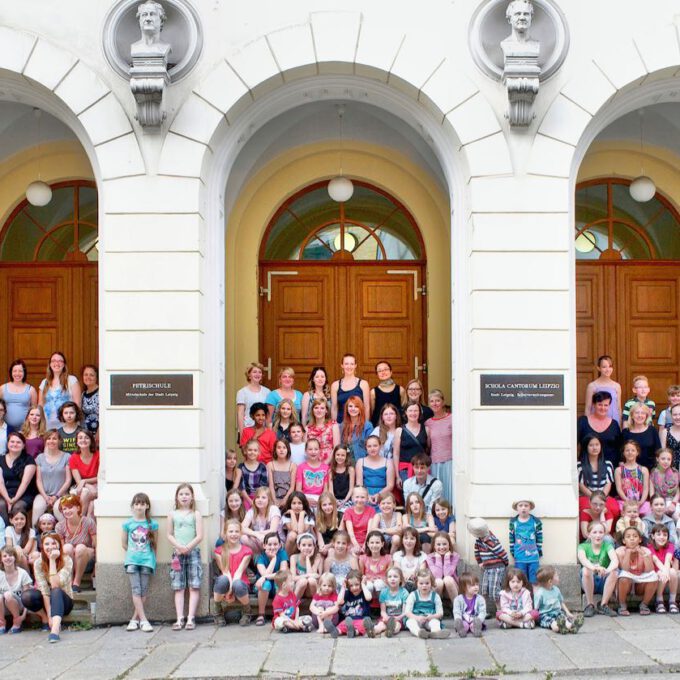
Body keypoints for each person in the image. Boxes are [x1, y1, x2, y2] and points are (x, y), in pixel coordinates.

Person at [21, 532, 73, 642]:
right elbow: (44, 590)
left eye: (53, 543)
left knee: (56, 590)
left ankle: (55, 629)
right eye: (47, 544)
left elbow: (55, 584)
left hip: (64, 602)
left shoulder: (67, 560)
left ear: (59, 544)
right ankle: (44, 618)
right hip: (48, 601)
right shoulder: (38, 563)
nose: (50, 547)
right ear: (42, 546)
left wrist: (52, 560)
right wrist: (49, 615)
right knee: (27, 596)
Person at [167, 483, 203, 630]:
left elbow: (200, 535)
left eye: (187, 494)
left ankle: (190, 618)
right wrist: (179, 547)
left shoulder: (196, 514)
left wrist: (188, 547)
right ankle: (179, 618)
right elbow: (169, 534)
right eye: (181, 494)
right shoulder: (172, 514)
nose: (184, 497)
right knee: (179, 587)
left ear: (192, 497)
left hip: (193, 552)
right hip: (177, 553)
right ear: (177, 496)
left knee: (194, 586)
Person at [122, 492, 157, 632]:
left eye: (142, 504)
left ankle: (134, 619)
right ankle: (143, 620)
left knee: (143, 591)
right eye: (136, 504)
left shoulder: (152, 524)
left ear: (147, 506)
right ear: (132, 506)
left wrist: (153, 560)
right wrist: (133, 552)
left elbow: (155, 545)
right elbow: (124, 544)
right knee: (136, 590)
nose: (139, 507)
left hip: (147, 561)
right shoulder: (128, 524)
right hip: (132, 561)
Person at [213, 518, 252, 626]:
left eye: (236, 531)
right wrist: (229, 590)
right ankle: (218, 612)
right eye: (230, 531)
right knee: (222, 580)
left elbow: (238, 574)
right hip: (226, 581)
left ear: (241, 533)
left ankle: (247, 611)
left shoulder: (247, 551)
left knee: (237, 584)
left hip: (240, 582)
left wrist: (230, 591)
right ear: (225, 533)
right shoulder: (219, 551)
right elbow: (226, 572)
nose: (234, 534)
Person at [578, 520, 619, 617]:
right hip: (589, 580)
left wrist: (607, 570)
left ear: (604, 534)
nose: (598, 535)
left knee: (614, 572)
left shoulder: (607, 546)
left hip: (603, 580)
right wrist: (595, 568)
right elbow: (583, 560)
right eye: (594, 532)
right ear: (589, 534)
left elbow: (615, 561)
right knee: (585, 569)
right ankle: (590, 604)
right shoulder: (583, 546)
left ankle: (603, 604)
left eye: (601, 532)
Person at [55, 494, 96, 592]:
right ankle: (70, 580)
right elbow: (61, 549)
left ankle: (76, 583)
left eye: (70, 507)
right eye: (64, 509)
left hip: (87, 558)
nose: (67, 511)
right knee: (67, 547)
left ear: (78, 508)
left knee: (80, 547)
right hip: (69, 560)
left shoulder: (88, 522)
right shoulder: (59, 526)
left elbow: (96, 545)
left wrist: (96, 568)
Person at [615, 526, 658, 616]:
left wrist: (644, 555)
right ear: (623, 541)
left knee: (654, 576)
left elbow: (649, 570)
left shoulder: (646, 550)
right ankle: (622, 605)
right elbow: (625, 569)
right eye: (628, 537)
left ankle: (644, 604)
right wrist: (628, 553)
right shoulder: (619, 551)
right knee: (623, 577)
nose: (632, 539)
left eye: (635, 536)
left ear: (640, 540)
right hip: (626, 582)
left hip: (640, 581)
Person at [577, 434, 619, 520]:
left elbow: (608, 484)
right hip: (587, 497)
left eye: (597, 444)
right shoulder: (580, 465)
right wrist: (594, 498)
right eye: (591, 445)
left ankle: (607, 532)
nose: (595, 448)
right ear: (586, 447)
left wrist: (601, 498)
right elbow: (581, 486)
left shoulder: (608, 464)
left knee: (614, 509)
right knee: (586, 508)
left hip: (603, 496)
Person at [468, 517, 508, 606]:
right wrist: (479, 562)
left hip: (497, 567)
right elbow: (477, 552)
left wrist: (505, 563)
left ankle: (500, 609)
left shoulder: (491, 540)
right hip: (486, 567)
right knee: (484, 589)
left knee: (494, 591)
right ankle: (484, 611)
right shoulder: (478, 541)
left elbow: (502, 552)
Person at [33, 430, 71, 523]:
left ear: (59, 441)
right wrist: (45, 497)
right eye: (48, 438)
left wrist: (56, 496)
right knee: (38, 507)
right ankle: (34, 535)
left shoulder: (67, 457)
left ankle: (65, 535)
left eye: (54, 438)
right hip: (44, 494)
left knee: (58, 509)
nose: (51, 441)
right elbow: (38, 481)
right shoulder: (40, 458)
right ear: (45, 441)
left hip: (61, 494)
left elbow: (68, 480)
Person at [322, 568, 372, 638]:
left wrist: (363, 584)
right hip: (349, 620)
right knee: (342, 624)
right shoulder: (347, 593)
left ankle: (354, 632)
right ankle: (336, 631)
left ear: (361, 583)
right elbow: (339, 602)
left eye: (357, 584)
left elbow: (369, 598)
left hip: (362, 619)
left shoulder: (364, 593)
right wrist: (343, 587)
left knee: (363, 625)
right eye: (351, 586)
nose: (354, 588)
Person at [577, 391, 622, 467]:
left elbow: (619, 448)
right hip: (586, 468)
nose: (603, 408)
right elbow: (574, 444)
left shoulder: (614, 424)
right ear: (594, 405)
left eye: (606, 405)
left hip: (610, 469)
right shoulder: (583, 422)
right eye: (600, 405)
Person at [0, 432, 37, 524]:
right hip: (4, 493)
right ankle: (6, 532)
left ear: (24, 445)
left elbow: (25, 483)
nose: (15, 444)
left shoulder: (29, 459)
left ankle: (20, 534)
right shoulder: (0, 459)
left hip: (24, 494)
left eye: (18, 442)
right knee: (1, 505)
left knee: (17, 507)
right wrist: (8, 499)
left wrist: (14, 500)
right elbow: (0, 482)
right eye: (12, 442)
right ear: (7, 444)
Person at [38, 352, 81, 431]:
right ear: (50, 364)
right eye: (53, 361)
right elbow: (40, 405)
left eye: (60, 361)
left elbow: (77, 405)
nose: (56, 363)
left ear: (64, 364)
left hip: (67, 426)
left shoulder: (72, 380)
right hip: (48, 426)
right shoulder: (44, 382)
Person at [403, 567, 449, 639]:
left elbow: (440, 613)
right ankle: (419, 633)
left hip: (430, 618)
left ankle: (435, 633)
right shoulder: (413, 595)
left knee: (435, 622)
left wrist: (432, 617)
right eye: (421, 583)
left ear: (431, 583)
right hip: (417, 618)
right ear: (416, 584)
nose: (424, 585)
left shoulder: (435, 596)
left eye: (427, 583)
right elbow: (407, 612)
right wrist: (417, 618)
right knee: (410, 622)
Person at [254, 532, 288, 626]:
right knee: (266, 584)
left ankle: (278, 613)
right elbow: (264, 574)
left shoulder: (282, 554)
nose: (272, 547)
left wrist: (264, 577)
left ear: (280, 545)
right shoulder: (260, 558)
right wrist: (273, 559)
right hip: (262, 588)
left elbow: (282, 573)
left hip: (276, 585)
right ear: (264, 545)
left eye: (275, 544)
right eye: (269, 544)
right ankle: (261, 614)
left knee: (280, 583)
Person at [535, 566, 583, 633]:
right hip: (545, 615)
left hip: (557, 613)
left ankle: (572, 627)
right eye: (556, 575)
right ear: (550, 581)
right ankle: (560, 628)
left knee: (565, 620)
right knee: (553, 624)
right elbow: (535, 608)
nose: (558, 576)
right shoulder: (540, 593)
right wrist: (534, 619)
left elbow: (561, 602)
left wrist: (568, 612)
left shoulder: (556, 590)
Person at [425, 389, 453, 503]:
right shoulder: (428, 423)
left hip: (450, 461)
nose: (435, 403)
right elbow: (428, 445)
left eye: (437, 400)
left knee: (450, 491)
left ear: (443, 402)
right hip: (435, 462)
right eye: (432, 401)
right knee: (437, 492)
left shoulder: (452, 418)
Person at [0, 545, 33, 633]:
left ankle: (17, 622)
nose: (8, 558)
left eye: (10, 555)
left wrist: (23, 615)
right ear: (1, 559)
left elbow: (27, 598)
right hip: (4, 608)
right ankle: (1, 623)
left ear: (15, 557)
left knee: (8, 594)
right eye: (5, 556)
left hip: (19, 606)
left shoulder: (22, 573)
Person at [509, 499, 542, 584]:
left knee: (534, 581)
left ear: (530, 507)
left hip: (533, 557)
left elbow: (539, 538)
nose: (523, 508)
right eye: (521, 505)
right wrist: (513, 552)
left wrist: (539, 551)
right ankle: (522, 597)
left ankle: (533, 596)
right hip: (520, 557)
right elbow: (511, 539)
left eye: (526, 505)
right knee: (521, 581)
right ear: (517, 508)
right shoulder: (514, 523)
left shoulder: (536, 522)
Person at [395, 402, 429, 485]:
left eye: (415, 411)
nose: (413, 413)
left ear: (419, 412)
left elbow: (428, 450)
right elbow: (396, 454)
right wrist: (397, 476)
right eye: (410, 411)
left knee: (422, 496)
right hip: (405, 471)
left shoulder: (427, 430)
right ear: (406, 412)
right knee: (408, 497)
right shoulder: (399, 431)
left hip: (422, 469)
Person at [648, 523, 679, 614]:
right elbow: (656, 561)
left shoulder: (670, 545)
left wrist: (666, 572)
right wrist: (665, 572)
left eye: (665, 535)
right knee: (661, 573)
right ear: (653, 536)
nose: (662, 537)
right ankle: (659, 600)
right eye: (658, 534)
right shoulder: (650, 547)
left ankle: (672, 601)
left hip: (666, 569)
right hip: (655, 572)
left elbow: (668, 560)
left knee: (673, 571)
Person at [356, 435, 394, 507]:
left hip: (383, 495)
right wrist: (367, 496)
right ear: (366, 448)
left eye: (375, 446)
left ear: (380, 446)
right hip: (364, 495)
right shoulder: (360, 462)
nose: (372, 448)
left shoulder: (388, 462)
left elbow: (390, 485)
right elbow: (359, 484)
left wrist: (379, 495)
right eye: (369, 446)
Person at [241, 486, 281, 554]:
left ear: (269, 500)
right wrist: (256, 534)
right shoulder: (252, 511)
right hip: (259, 539)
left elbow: (273, 531)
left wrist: (256, 535)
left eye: (263, 497)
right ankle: (259, 559)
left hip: (275, 541)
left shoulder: (274, 509)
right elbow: (242, 528)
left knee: (262, 539)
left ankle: (265, 559)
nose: (260, 500)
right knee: (243, 538)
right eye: (257, 497)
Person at [331, 354, 370, 424]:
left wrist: (365, 425)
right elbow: (334, 408)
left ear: (355, 365)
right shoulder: (335, 385)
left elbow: (367, 407)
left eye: (352, 364)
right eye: (346, 364)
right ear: (342, 365)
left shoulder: (363, 384)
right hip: (341, 424)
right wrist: (334, 426)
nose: (349, 366)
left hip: (359, 425)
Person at [68, 429, 99, 516]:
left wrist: (84, 481)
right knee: (90, 502)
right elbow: (78, 481)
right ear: (77, 441)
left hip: (98, 484)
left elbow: (100, 477)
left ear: (91, 440)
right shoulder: (73, 458)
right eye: (80, 438)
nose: (83, 440)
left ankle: (80, 519)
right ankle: (82, 519)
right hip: (83, 486)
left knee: (92, 504)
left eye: (86, 438)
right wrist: (86, 484)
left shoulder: (98, 455)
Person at [614, 440, 650, 514]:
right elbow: (619, 489)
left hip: (640, 502)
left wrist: (641, 502)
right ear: (623, 453)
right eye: (627, 450)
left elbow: (646, 489)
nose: (630, 452)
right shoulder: (619, 470)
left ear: (637, 452)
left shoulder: (644, 470)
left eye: (633, 450)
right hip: (624, 501)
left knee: (648, 510)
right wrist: (627, 501)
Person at [584, 355, 622, 424]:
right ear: (599, 368)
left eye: (610, 366)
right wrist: (587, 425)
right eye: (604, 367)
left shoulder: (617, 386)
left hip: (613, 421)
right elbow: (588, 408)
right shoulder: (592, 386)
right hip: (596, 421)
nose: (608, 369)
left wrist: (619, 425)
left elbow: (618, 407)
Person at [623, 403, 661, 470]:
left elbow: (658, 451)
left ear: (646, 416)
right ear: (632, 415)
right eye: (637, 413)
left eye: (643, 413)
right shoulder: (625, 432)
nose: (640, 415)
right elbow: (621, 454)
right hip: (630, 471)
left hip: (650, 469)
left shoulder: (652, 430)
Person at [0, 359, 37, 430]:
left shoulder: (31, 390)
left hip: (25, 429)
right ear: (11, 372)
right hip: (4, 429)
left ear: (24, 372)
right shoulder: (2, 388)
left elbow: (34, 411)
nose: (17, 374)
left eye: (20, 371)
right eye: (15, 371)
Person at [425, 531, 459, 604]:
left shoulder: (454, 556)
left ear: (449, 545)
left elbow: (448, 574)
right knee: (439, 581)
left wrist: (447, 558)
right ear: (434, 546)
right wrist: (438, 558)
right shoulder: (429, 557)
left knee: (447, 579)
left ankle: (457, 608)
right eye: (438, 544)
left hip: (451, 589)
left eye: (444, 544)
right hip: (436, 589)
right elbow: (438, 575)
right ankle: (434, 608)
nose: (442, 547)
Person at [295, 438, 330, 510]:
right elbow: (298, 489)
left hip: (320, 498)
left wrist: (321, 500)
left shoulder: (326, 468)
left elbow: (325, 489)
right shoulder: (301, 467)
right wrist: (306, 499)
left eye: (316, 449)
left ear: (320, 451)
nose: (313, 452)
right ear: (305, 451)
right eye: (310, 449)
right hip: (304, 497)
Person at [236, 362, 271, 434]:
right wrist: (242, 433)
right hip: (248, 429)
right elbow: (240, 413)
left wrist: (268, 430)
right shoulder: (242, 392)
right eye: (254, 372)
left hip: (263, 430)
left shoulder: (267, 391)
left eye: (260, 372)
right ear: (249, 375)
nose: (257, 374)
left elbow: (268, 413)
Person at [375, 566, 409, 636]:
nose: (392, 579)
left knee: (397, 626)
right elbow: (383, 611)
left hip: (399, 618)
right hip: (387, 617)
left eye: (395, 576)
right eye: (390, 577)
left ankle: (390, 630)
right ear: (386, 580)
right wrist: (386, 617)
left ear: (400, 579)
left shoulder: (404, 592)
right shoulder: (384, 592)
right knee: (381, 625)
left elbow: (405, 612)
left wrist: (397, 618)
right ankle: (374, 630)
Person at [370, 361, 405, 427]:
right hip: (379, 427)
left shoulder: (400, 390)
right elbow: (372, 412)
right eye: (380, 371)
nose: (383, 372)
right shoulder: (373, 392)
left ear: (391, 372)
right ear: (377, 374)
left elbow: (404, 409)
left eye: (386, 369)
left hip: (397, 426)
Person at [343, 486, 376, 555]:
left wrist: (365, 545)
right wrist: (356, 545)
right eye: (357, 497)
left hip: (367, 541)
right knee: (354, 555)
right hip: (352, 542)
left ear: (367, 498)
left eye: (362, 497)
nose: (359, 500)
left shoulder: (371, 511)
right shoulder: (348, 511)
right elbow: (350, 533)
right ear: (352, 498)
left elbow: (369, 531)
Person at [280, 491, 314, 556]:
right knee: (292, 535)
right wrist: (292, 513)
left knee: (297, 535)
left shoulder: (308, 514)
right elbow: (294, 529)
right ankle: (286, 559)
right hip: (291, 545)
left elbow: (301, 532)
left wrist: (302, 514)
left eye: (299, 503)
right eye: (294, 503)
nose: (297, 506)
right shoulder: (287, 515)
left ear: (304, 505)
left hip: (306, 541)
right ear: (290, 505)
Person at [306, 398, 339, 464]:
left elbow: (336, 447)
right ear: (312, 410)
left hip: (330, 463)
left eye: (322, 408)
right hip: (313, 464)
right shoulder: (307, 428)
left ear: (326, 410)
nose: (319, 410)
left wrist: (325, 464)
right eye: (316, 408)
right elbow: (306, 450)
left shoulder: (333, 425)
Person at [452, 572, 485, 638]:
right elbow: (457, 612)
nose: (476, 587)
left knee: (474, 625)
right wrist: (458, 619)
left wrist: (479, 619)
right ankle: (461, 630)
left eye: (477, 584)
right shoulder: (458, 599)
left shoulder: (480, 599)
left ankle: (476, 630)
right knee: (465, 626)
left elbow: (482, 612)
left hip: (475, 620)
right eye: (473, 585)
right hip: (464, 620)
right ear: (464, 588)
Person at [290, 531, 322, 599]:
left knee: (311, 580)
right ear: (299, 546)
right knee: (303, 581)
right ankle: (293, 605)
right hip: (298, 587)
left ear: (314, 546)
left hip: (310, 590)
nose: (307, 547)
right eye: (304, 545)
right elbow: (293, 578)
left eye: (310, 545)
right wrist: (307, 575)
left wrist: (307, 558)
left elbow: (314, 577)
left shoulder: (317, 557)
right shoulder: (294, 557)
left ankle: (316, 603)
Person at [392, 527, 425, 591]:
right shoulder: (397, 555)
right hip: (402, 585)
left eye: (412, 538)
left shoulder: (422, 555)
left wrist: (413, 575)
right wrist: (404, 574)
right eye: (406, 538)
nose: (409, 541)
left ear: (416, 541)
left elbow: (422, 572)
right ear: (402, 540)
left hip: (417, 585)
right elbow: (397, 571)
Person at [650, 448, 680, 519]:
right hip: (658, 500)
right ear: (657, 459)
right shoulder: (653, 473)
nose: (666, 461)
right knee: (655, 516)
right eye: (663, 459)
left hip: (671, 500)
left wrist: (673, 504)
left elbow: (678, 492)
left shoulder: (675, 473)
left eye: (668, 459)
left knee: (677, 517)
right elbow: (652, 493)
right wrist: (656, 505)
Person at [340, 396, 373, 461]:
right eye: (350, 406)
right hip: (346, 461)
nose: (353, 409)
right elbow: (341, 446)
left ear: (360, 409)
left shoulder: (367, 426)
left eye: (356, 406)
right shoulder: (342, 425)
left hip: (362, 461)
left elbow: (371, 447)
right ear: (346, 408)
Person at [359, 530, 391, 598]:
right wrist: (368, 579)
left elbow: (389, 576)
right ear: (367, 544)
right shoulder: (363, 558)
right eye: (372, 542)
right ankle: (368, 605)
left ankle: (382, 605)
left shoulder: (388, 558)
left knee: (378, 583)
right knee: (369, 585)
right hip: (369, 585)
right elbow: (361, 575)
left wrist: (381, 579)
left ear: (382, 544)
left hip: (382, 585)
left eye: (377, 542)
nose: (374, 545)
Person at [5, 503, 35, 570]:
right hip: (12, 555)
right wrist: (17, 548)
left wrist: (18, 549)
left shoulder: (31, 531)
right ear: (11, 520)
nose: (19, 521)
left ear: (26, 520)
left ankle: (27, 577)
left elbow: (26, 550)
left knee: (23, 557)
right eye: (16, 519)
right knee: (16, 550)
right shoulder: (9, 529)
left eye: (22, 519)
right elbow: (9, 547)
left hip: (26, 556)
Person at [267, 439, 296, 509]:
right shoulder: (270, 465)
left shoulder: (293, 466)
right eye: (279, 447)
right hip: (274, 498)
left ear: (288, 450)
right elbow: (271, 486)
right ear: (275, 450)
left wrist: (285, 500)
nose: (281, 450)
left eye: (284, 447)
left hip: (289, 498)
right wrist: (275, 501)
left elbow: (292, 487)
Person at [329, 444, 354, 510]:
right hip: (334, 499)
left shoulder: (350, 470)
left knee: (345, 511)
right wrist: (335, 501)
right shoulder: (331, 470)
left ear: (346, 456)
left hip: (347, 499)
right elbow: (330, 490)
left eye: (343, 455)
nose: (340, 457)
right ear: (334, 455)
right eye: (338, 455)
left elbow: (351, 489)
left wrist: (345, 501)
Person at [315, 492, 340, 556]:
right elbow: (319, 539)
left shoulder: (340, 516)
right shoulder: (317, 518)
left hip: (337, 545)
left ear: (334, 504)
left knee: (331, 552)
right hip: (323, 546)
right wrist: (322, 548)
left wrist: (328, 546)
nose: (327, 507)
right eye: (324, 505)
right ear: (320, 506)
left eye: (330, 504)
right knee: (320, 556)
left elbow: (340, 537)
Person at [80, 365, 99, 439]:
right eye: (86, 374)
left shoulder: (102, 392)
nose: (88, 377)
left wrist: (99, 433)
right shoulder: (83, 394)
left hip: (98, 434)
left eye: (91, 375)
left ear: (96, 377)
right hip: (86, 436)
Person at [660, 403, 680, 469]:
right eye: (674, 415)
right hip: (670, 469)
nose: (678, 417)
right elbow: (662, 453)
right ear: (671, 416)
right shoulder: (665, 432)